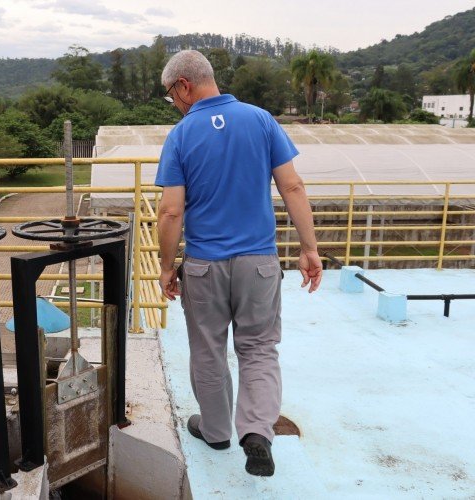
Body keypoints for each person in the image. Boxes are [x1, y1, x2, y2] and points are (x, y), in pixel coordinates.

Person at [155, 50, 322, 477]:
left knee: (208, 350)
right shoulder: (261, 120)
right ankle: (257, 434)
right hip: (259, 264)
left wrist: (166, 265)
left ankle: (215, 431)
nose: (174, 102)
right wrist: (309, 248)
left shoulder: (180, 135)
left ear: (184, 86)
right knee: (259, 349)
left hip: (204, 266)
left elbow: (171, 212)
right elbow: (293, 186)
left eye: (171, 94)